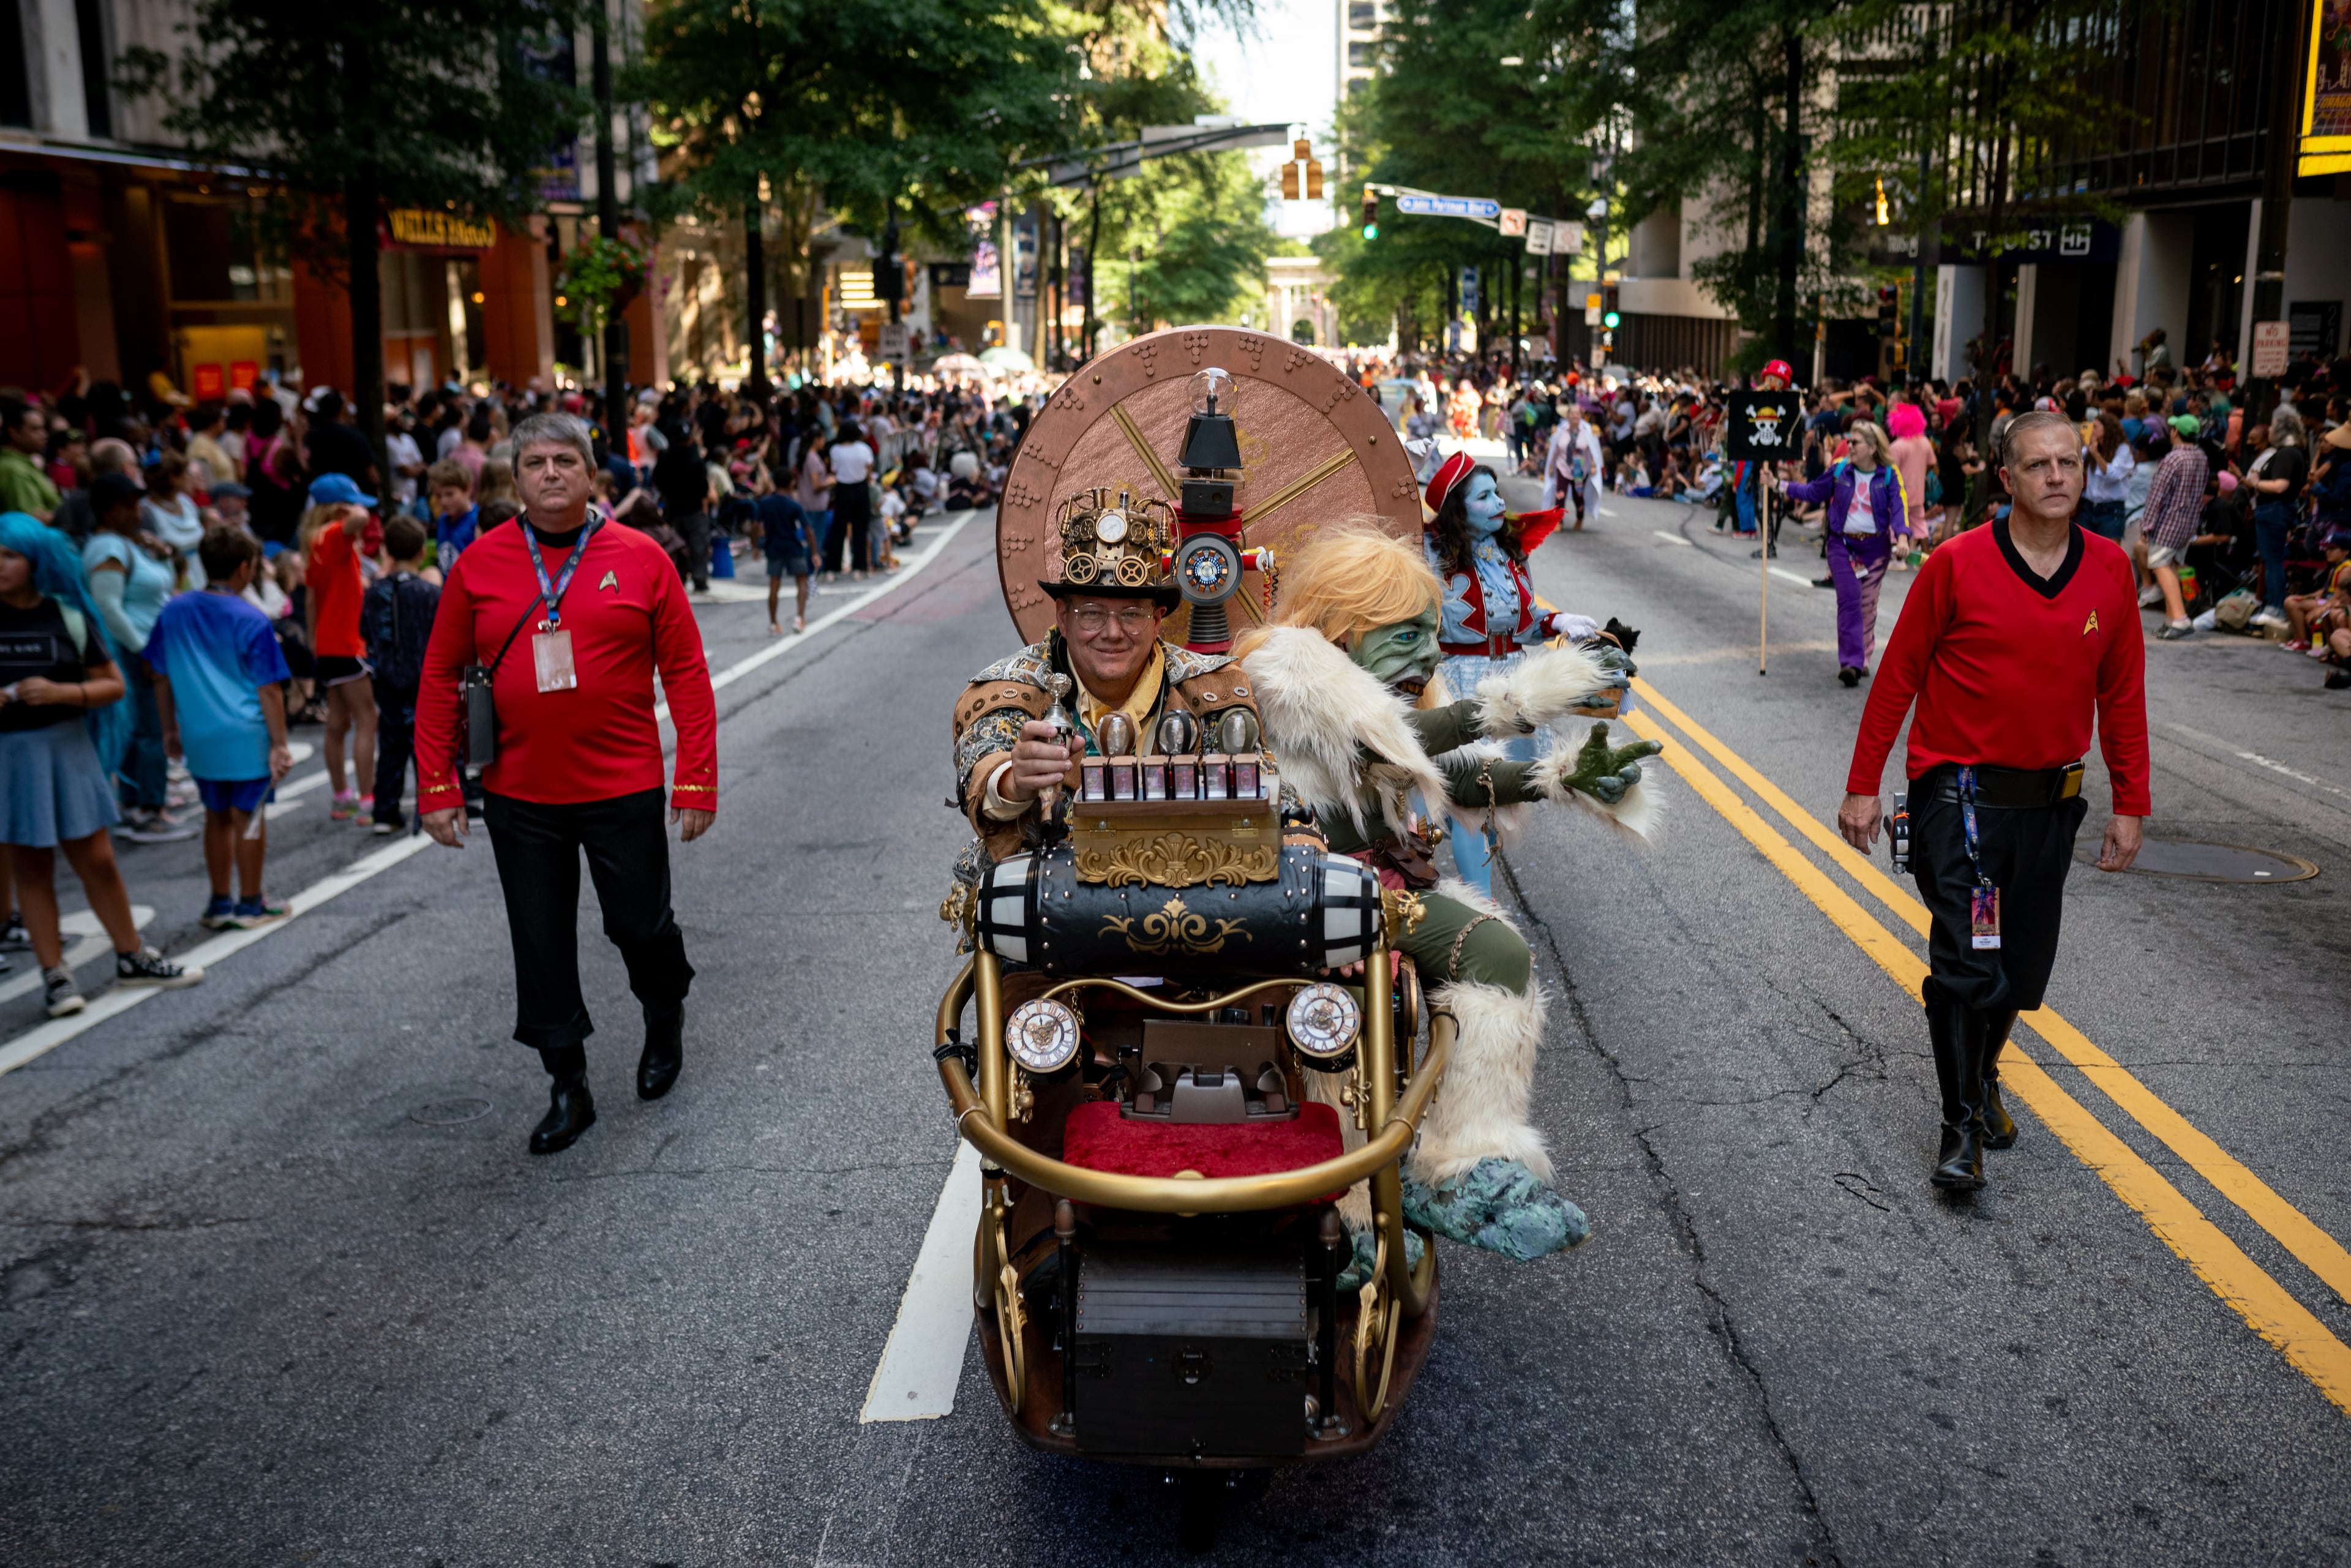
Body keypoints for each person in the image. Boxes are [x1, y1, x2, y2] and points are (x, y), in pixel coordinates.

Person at [1839, 410, 2148, 1191]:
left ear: (2085, 472)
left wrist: (2131, 801)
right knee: (1971, 959)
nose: (2056, 476)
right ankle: (1959, 1126)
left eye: (2069, 463)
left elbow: (2122, 693)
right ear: (2005, 479)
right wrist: (1863, 785)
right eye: (2038, 465)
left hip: (2048, 806)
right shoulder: (1957, 563)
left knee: (2017, 968)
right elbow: (1899, 676)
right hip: (1960, 803)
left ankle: (1983, 1078)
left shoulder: (2110, 569)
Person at [411, 413, 718, 1155]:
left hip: (622, 785)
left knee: (640, 926)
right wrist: (438, 787)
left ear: (591, 476)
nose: (551, 473)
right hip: (520, 793)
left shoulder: (641, 558)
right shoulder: (478, 564)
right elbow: (440, 674)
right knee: (540, 942)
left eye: (565, 462)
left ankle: (663, 1011)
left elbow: (685, 672)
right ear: (515, 479)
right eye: (536, 463)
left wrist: (697, 780)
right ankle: (567, 1084)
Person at [0, 512, 204, 1018]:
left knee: (97, 859)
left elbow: (114, 685)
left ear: (35, 560)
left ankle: (132, 954)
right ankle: (55, 976)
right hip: (9, 757)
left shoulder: (66, 615)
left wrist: (60, 692)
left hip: (67, 748)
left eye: (9, 555)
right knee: (29, 864)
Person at [1422, 452, 1613, 895]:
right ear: (1458, 507)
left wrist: (1557, 621)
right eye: (1483, 496)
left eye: (1497, 493)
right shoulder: (1429, 551)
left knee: (1492, 799)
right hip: (1458, 682)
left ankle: (1477, 898)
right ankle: (1472, 905)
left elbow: (1525, 622)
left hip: (1511, 681)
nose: (1497, 503)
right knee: (1466, 797)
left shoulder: (1509, 552)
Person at [145, 527, 294, 929]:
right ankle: (250, 903)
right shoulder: (251, 618)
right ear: (244, 568)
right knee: (249, 816)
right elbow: (270, 689)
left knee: (215, 815)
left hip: (197, 731)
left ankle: (218, 902)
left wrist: (169, 729)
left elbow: (159, 675)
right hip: (246, 733)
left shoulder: (174, 610)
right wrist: (279, 743)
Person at [81, 472, 194, 844]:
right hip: (135, 654)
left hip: (144, 650)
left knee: (144, 730)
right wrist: (142, 649)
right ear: (110, 511)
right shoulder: (108, 549)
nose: (138, 511)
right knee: (150, 731)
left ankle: (140, 806)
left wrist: (158, 551)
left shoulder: (126, 545)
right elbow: (108, 608)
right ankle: (147, 810)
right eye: (130, 504)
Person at [1782, 420, 1908, 687]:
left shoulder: (1889, 475)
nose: (1849, 446)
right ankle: (1851, 663)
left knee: (1867, 606)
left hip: (1876, 550)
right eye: (1849, 441)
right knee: (1850, 601)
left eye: (1856, 442)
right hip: (1842, 546)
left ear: (1873, 448)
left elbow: (1899, 507)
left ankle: (1863, 656)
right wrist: (1780, 486)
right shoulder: (1840, 470)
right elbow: (1813, 491)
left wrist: (1903, 538)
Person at [301, 475, 378, 820]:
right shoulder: (335, 536)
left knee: (338, 722)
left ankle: (341, 796)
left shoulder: (314, 544)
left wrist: (314, 642)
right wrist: (351, 510)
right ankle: (367, 799)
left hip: (327, 646)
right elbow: (361, 518)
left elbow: (311, 603)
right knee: (367, 719)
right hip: (347, 644)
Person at [359, 516, 438, 834]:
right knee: (426, 742)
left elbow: (365, 631)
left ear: (387, 552)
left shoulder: (375, 592)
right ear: (422, 552)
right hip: (423, 678)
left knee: (391, 744)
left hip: (387, 678)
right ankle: (428, 807)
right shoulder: (430, 593)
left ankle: (385, 811)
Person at [2135, 418, 2210, 640]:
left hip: (2169, 522)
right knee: (2173, 565)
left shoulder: (2173, 458)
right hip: (2188, 523)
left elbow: (2157, 495)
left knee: (2160, 565)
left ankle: (2179, 618)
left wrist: (2147, 525)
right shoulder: (2201, 456)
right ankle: (2172, 619)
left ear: (2176, 432)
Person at [2244, 410, 2311, 632]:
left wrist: (2256, 482)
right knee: (2271, 559)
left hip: (2275, 509)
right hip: (2277, 510)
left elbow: (2280, 485)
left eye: (2273, 426)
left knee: (2272, 560)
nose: (2269, 430)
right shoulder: (2295, 453)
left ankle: (2275, 607)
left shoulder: (2286, 454)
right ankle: (2273, 605)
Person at [652, 405, 711, 593]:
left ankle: (682, 579)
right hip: (690, 508)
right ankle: (698, 577)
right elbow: (703, 486)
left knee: (680, 547)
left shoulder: (667, 458)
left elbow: (658, 479)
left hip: (676, 507)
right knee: (697, 545)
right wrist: (704, 507)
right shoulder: (693, 459)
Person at [756, 484, 816, 635]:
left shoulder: (765, 503)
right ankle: (800, 618)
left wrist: (755, 546)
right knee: (802, 580)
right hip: (793, 546)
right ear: (790, 484)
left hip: (773, 547)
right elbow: (808, 529)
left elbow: (755, 526)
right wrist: (815, 551)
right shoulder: (793, 504)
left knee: (774, 585)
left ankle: (773, 623)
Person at [827, 420, 877, 579]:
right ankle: (860, 568)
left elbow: (834, 470)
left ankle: (832, 569)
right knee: (860, 530)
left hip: (843, 489)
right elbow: (869, 472)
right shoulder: (864, 449)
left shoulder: (835, 450)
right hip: (860, 489)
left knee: (838, 530)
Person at [1542, 400, 1603, 528]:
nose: (1575, 416)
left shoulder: (1588, 431)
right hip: (1563, 466)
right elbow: (1555, 450)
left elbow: (1592, 451)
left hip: (1579, 469)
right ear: (1568, 416)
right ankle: (1559, 522)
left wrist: (1593, 466)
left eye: (1578, 414)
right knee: (1560, 495)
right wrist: (1551, 466)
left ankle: (1580, 518)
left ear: (1581, 416)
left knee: (1578, 497)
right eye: (1572, 414)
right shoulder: (1560, 431)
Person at [0, 397, 61, 522]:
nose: (44, 435)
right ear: (14, 433)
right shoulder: (15, 470)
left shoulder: (24, 463)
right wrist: (59, 517)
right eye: (35, 429)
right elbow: (32, 522)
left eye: (43, 429)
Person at [2079, 413, 2134, 543]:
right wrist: (2082, 445)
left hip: (2111, 510)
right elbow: (2077, 462)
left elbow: (2113, 475)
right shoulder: (2091, 449)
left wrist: (2096, 455)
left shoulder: (2123, 449)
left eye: (2096, 427)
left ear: (2107, 429)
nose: (2093, 430)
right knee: (2083, 549)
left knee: (2110, 555)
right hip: (2088, 507)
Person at [427, 459, 479, 569]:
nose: (443, 502)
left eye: (450, 494)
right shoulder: (443, 519)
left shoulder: (477, 521)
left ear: (467, 490)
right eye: (438, 496)